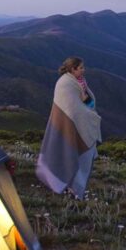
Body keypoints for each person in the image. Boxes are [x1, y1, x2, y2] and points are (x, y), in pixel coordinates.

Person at [36, 56, 101, 199]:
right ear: (73, 69)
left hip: (81, 123)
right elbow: (71, 109)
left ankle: (76, 190)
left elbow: (86, 101)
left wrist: (89, 109)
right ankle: (72, 191)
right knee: (70, 155)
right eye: (81, 68)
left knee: (83, 160)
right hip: (68, 126)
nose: (84, 70)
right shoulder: (65, 84)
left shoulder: (80, 82)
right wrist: (91, 115)